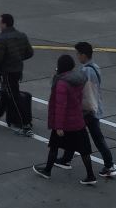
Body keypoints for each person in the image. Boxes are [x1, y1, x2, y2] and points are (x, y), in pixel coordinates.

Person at [55, 42, 116, 178]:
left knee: (80, 134)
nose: (77, 56)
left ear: (83, 55)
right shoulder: (95, 67)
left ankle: (108, 165)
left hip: (86, 110)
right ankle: (108, 165)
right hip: (95, 107)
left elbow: (81, 90)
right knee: (94, 137)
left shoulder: (85, 71)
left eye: (78, 54)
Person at [32, 54, 96, 185]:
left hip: (65, 123)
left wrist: (59, 126)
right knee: (84, 150)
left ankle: (47, 170)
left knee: (54, 146)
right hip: (78, 121)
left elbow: (60, 106)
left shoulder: (62, 83)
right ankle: (90, 175)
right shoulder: (79, 79)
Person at [0, 13, 34, 135]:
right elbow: (30, 53)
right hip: (18, 70)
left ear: (4, 24)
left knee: (14, 97)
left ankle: (26, 125)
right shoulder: (21, 35)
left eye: (0, 22)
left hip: (7, 72)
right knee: (6, 93)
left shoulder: (2, 39)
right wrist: (18, 59)